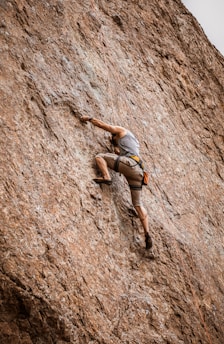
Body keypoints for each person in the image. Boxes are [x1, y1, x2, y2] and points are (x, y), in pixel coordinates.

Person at [80, 116, 152, 249]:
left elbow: (104, 126)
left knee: (100, 157)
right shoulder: (133, 142)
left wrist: (89, 119)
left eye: (113, 139)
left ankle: (106, 177)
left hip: (130, 165)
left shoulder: (121, 131)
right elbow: (118, 152)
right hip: (139, 172)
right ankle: (147, 233)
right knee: (137, 204)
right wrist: (115, 146)